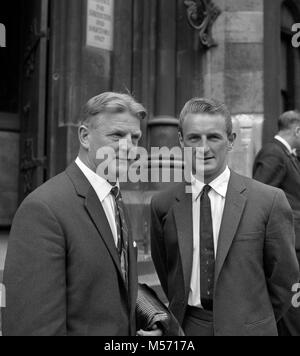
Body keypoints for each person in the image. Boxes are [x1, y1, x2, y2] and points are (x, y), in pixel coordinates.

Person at [2, 92, 161, 336]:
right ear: (85, 136)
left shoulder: (114, 198)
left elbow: (108, 285)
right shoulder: (43, 210)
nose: (129, 148)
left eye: (135, 137)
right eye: (116, 135)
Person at [151, 98, 299, 336]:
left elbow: (285, 281)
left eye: (214, 137)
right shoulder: (163, 204)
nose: (204, 148)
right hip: (188, 328)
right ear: (181, 141)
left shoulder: (268, 201)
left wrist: (255, 321)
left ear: (230, 141)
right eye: (194, 138)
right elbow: (168, 273)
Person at [253, 110, 300, 336]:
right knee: (290, 305)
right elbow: (259, 196)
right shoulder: (273, 153)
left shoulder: (288, 154)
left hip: (294, 242)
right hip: (285, 242)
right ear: (297, 130)